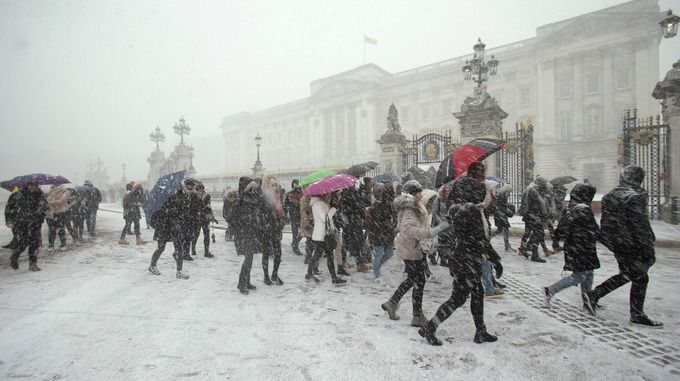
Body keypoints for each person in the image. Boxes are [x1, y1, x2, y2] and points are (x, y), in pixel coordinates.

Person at [584, 166, 663, 327]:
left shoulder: (609, 195)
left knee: (629, 274)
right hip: (633, 245)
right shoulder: (634, 197)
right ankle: (636, 314)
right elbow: (640, 226)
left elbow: (606, 224)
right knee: (640, 277)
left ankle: (594, 295)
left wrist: (613, 243)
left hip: (618, 244)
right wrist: (648, 248)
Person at [418, 202, 503, 346]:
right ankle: (430, 327)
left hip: (461, 262)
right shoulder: (472, 211)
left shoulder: (457, 211)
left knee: (476, 294)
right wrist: (495, 260)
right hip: (468, 263)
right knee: (458, 299)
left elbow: (453, 239)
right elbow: (481, 240)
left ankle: (480, 330)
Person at [381, 180, 448, 327]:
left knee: (414, 279)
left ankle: (393, 303)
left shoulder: (413, 206)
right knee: (418, 280)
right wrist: (431, 232)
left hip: (412, 248)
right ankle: (415, 315)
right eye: (418, 191)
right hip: (410, 248)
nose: (421, 194)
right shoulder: (410, 208)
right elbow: (408, 229)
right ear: (413, 193)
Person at [543, 183, 599, 309]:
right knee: (579, 276)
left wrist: (556, 241)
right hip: (583, 247)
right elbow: (593, 229)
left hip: (575, 246)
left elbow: (561, 228)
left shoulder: (571, 208)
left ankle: (588, 299)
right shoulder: (583, 208)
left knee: (588, 273)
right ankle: (550, 290)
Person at [148, 184, 190, 279]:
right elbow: (157, 212)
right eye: (176, 186)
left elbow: (184, 211)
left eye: (179, 186)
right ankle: (152, 265)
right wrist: (168, 211)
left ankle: (179, 271)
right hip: (163, 227)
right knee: (161, 248)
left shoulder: (181, 197)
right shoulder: (162, 197)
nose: (177, 188)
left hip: (175, 226)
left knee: (179, 248)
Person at [306, 192, 347, 285]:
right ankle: (334, 278)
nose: (329, 196)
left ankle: (309, 273)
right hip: (322, 236)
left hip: (320, 235)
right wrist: (334, 208)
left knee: (317, 254)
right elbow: (325, 219)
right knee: (329, 256)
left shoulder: (319, 204)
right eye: (327, 194)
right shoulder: (318, 205)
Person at [231, 177, 262, 294]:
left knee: (251, 257)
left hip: (252, 231)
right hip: (243, 232)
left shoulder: (252, 197)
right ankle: (241, 283)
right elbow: (234, 214)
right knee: (248, 257)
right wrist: (245, 219)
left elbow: (258, 206)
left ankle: (247, 281)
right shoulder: (239, 198)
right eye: (250, 187)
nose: (253, 189)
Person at [8, 182, 48, 271]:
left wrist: (43, 205)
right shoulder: (17, 194)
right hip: (21, 223)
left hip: (35, 222)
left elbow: (46, 207)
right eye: (32, 185)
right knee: (23, 242)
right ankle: (15, 255)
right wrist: (9, 221)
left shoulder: (40, 195)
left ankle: (33, 264)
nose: (34, 187)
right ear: (27, 185)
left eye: (36, 185)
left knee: (34, 243)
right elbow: (9, 208)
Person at [365, 181, 397, 284]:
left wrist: (393, 224)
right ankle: (377, 274)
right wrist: (388, 224)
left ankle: (376, 266)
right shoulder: (376, 206)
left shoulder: (390, 205)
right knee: (379, 255)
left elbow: (393, 217)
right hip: (378, 234)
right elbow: (377, 222)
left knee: (389, 253)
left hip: (387, 234)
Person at [518, 176, 549, 263]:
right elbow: (536, 205)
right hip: (533, 216)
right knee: (539, 234)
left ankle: (523, 248)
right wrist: (537, 216)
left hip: (529, 216)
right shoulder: (533, 191)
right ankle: (534, 254)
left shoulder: (530, 188)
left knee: (528, 233)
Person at [261, 175, 285, 285]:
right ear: (267, 185)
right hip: (266, 229)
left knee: (278, 254)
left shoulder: (277, 197)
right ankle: (266, 276)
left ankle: (275, 274)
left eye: (276, 184)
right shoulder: (263, 197)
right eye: (272, 185)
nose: (275, 187)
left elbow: (280, 213)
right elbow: (261, 214)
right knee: (266, 253)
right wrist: (266, 225)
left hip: (276, 229)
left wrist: (281, 221)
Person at [46, 184, 76, 252]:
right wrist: (49, 202)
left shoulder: (65, 191)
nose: (53, 185)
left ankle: (63, 244)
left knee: (61, 229)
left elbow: (61, 201)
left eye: (55, 183)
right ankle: (51, 245)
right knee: (51, 230)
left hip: (60, 212)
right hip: (50, 213)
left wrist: (50, 202)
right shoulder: (50, 192)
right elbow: (46, 201)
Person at [193, 183, 216, 258]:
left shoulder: (207, 196)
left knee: (205, 235)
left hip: (204, 218)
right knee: (197, 234)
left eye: (201, 189)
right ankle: (194, 249)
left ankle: (206, 251)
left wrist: (212, 217)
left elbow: (209, 207)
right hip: (199, 218)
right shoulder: (194, 196)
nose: (200, 190)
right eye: (199, 189)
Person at [492, 184, 516, 252]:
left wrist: (507, 205)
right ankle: (507, 246)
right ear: (507, 190)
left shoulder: (501, 194)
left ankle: (488, 239)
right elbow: (500, 206)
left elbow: (500, 205)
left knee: (499, 230)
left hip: (500, 215)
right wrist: (507, 210)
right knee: (506, 229)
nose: (510, 194)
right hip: (500, 215)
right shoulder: (502, 195)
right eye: (510, 192)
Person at [285, 179, 303, 255]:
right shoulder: (289, 194)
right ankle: (295, 246)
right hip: (293, 215)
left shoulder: (302, 194)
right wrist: (290, 208)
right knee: (295, 232)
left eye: (297, 183)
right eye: (294, 184)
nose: (295, 185)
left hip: (301, 215)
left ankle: (295, 243)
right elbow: (286, 204)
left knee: (302, 232)